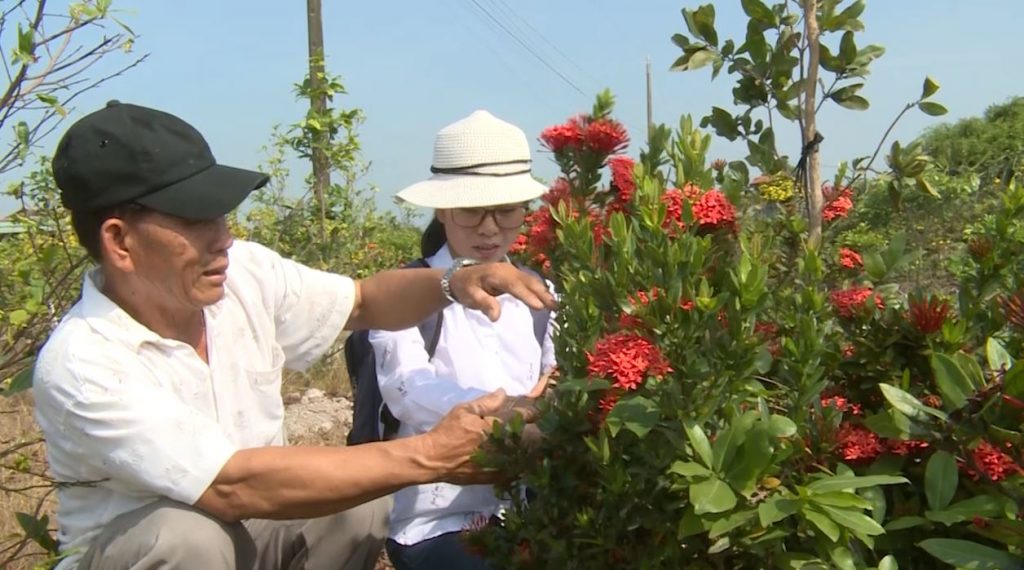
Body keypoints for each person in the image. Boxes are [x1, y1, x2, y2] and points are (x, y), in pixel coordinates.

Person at [31, 101, 556, 570]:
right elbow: (229, 485)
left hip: (248, 528)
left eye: (222, 214)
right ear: (120, 242)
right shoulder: (86, 360)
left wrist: (452, 281)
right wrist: (431, 455)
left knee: (357, 500)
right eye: (195, 221)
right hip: (171, 543)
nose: (224, 238)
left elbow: (365, 300)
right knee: (189, 538)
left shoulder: (243, 276)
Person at [368, 110, 556, 570]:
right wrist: (511, 409)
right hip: (435, 518)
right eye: (473, 211)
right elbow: (408, 392)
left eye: (506, 210)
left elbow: (559, 373)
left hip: (533, 505)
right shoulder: (403, 293)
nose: (490, 228)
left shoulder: (539, 291)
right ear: (444, 210)